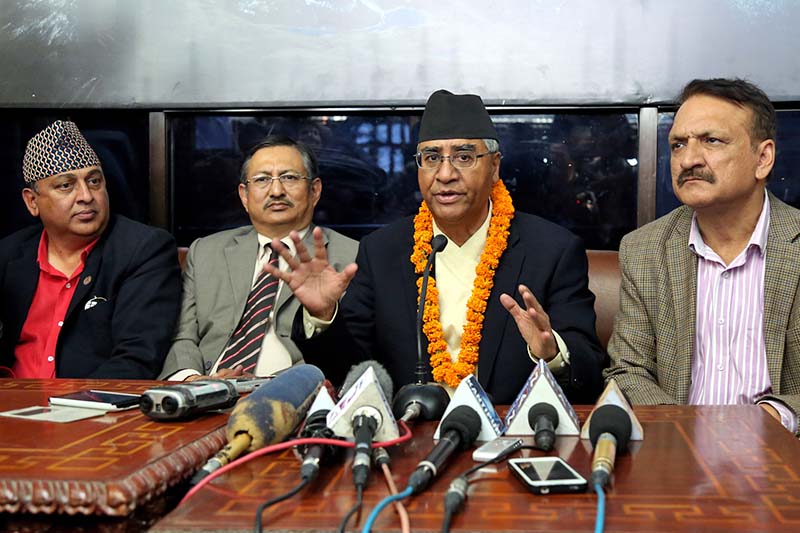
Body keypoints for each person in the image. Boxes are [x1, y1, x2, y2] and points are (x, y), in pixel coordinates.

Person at [271, 90, 605, 404]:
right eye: (431, 157)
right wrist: (323, 316)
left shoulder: (552, 249)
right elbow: (350, 371)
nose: (445, 174)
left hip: (511, 432)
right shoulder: (383, 250)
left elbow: (588, 368)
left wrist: (553, 353)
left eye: (463, 156)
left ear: (494, 167)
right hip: (411, 432)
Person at [605, 78, 800, 435]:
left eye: (712, 141)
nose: (689, 159)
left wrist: (773, 420)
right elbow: (627, 371)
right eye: (678, 144)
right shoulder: (645, 249)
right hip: (677, 453)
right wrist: (685, 433)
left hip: (784, 455)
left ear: (763, 158)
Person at [159, 135, 358, 380]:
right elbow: (183, 335)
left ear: (314, 190)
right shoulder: (206, 252)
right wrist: (193, 380)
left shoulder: (351, 257)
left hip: (292, 396)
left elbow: (353, 358)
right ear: (244, 195)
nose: (276, 191)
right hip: (205, 391)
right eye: (262, 179)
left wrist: (322, 315)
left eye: (289, 178)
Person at [0, 120, 181, 379]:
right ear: (32, 202)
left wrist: (70, 408)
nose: (86, 195)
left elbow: (137, 359)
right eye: (66, 185)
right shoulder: (9, 254)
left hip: (89, 410)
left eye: (94, 181)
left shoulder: (143, 249)